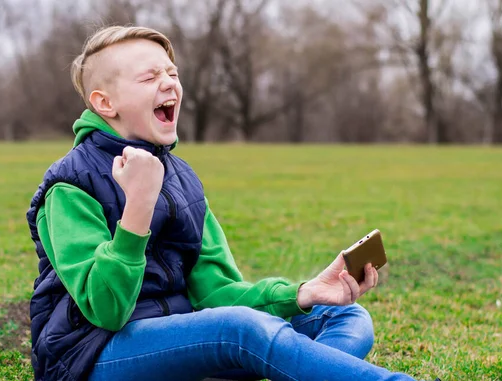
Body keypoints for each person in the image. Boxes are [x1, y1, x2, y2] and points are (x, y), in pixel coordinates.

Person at [26, 25, 434, 381]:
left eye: (172, 73)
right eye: (150, 77)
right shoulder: (69, 185)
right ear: (104, 103)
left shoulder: (181, 177)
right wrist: (138, 206)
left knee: (344, 316)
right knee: (240, 330)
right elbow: (106, 310)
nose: (169, 83)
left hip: (183, 341)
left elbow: (217, 292)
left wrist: (304, 293)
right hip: (93, 357)